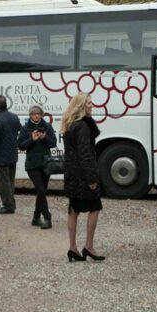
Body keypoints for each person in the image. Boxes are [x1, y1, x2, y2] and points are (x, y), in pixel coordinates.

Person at [62, 92, 105, 262]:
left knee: (73, 210)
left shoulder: (70, 124)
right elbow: (86, 154)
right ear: (80, 106)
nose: (91, 105)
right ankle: (88, 246)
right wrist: (92, 179)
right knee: (95, 207)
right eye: (88, 103)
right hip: (82, 175)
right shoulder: (83, 126)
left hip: (72, 174)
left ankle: (72, 248)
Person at [17, 104, 57, 229]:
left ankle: (35, 217)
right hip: (32, 165)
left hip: (46, 164)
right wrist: (32, 139)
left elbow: (53, 143)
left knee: (41, 192)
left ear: (41, 115)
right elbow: (21, 145)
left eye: (38, 113)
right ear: (30, 115)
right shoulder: (25, 128)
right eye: (34, 113)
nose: (36, 115)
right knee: (41, 190)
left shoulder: (47, 126)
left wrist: (45, 137)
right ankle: (47, 218)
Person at [0, 95, 21, 214]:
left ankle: (8, 206)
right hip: (12, 153)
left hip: (1, 155)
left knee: (3, 182)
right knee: (10, 181)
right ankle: (11, 203)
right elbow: (18, 129)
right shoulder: (14, 117)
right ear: (6, 103)